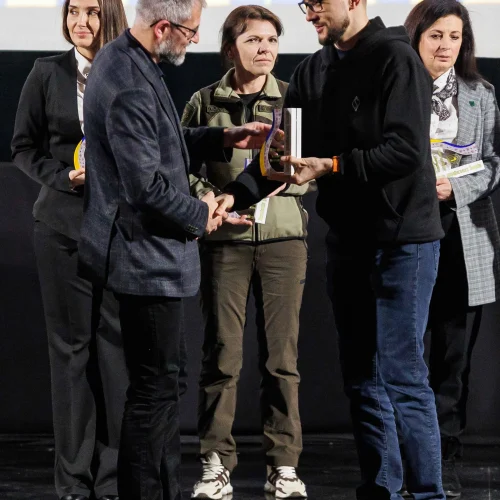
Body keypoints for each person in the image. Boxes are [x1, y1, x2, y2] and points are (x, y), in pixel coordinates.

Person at [215, 0, 448, 498]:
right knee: (363, 377)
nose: (309, 13)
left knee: (403, 375)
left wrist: (334, 166)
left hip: (403, 241)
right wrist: (232, 195)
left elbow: (406, 150)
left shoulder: (397, 59)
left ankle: (428, 493)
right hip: (349, 241)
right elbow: (284, 156)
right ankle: (380, 490)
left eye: (319, 3)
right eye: (306, 4)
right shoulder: (312, 71)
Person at [77, 0, 275, 497]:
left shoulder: (127, 57)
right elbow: (144, 186)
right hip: (144, 258)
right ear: (163, 26)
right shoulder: (127, 80)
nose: (195, 40)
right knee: (155, 390)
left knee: (162, 387)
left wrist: (225, 137)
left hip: (146, 255)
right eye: (190, 31)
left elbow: (162, 138)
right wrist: (201, 213)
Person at [181, 6, 311, 499]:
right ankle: (216, 463)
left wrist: (273, 184)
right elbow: (177, 161)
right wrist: (209, 198)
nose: (265, 49)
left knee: (282, 359)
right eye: (254, 40)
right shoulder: (203, 100)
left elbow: (305, 170)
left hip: (283, 241)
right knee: (222, 356)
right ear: (230, 47)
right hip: (224, 242)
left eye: (272, 40)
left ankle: (284, 466)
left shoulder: (293, 99)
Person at [11, 2, 128, 499]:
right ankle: (74, 484)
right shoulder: (46, 73)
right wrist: (63, 178)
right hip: (61, 227)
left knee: (115, 352)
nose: (81, 22)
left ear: (111, 15)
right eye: (73, 11)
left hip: (120, 230)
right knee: (72, 354)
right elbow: (23, 147)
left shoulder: (130, 69)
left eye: (92, 12)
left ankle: (112, 480)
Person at [404, 1, 500, 496]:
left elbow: (492, 162)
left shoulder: (480, 94)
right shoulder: (396, 88)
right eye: (436, 35)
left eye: (454, 37)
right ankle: (404, 461)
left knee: (452, 358)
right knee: (403, 355)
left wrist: (455, 188)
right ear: (416, 37)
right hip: (405, 230)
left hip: (464, 234)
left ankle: (444, 459)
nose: (445, 46)